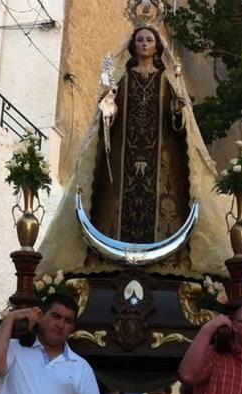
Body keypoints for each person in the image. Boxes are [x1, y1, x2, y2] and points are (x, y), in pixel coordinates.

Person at [89, 24, 190, 245]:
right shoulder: (121, 80)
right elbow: (109, 120)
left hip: (161, 161)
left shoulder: (167, 81)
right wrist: (108, 106)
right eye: (140, 40)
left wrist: (177, 110)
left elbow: (180, 127)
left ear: (157, 48)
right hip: (123, 158)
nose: (144, 44)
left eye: (149, 40)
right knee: (113, 204)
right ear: (133, 46)